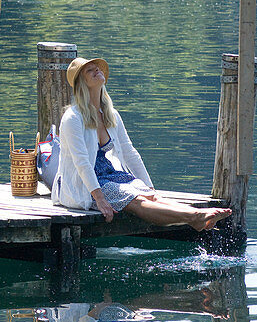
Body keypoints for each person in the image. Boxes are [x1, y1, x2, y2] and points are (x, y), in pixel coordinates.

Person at [52, 56, 232, 232]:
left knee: (149, 195)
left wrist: (149, 186)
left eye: (97, 68)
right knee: (137, 201)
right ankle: (195, 217)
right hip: (85, 184)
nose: (96, 71)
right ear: (81, 83)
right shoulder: (73, 118)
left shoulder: (110, 114)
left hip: (109, 174)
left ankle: (196, 215)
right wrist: (99, 198)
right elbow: (82, 162)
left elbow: (130, 152)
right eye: (89, 70)